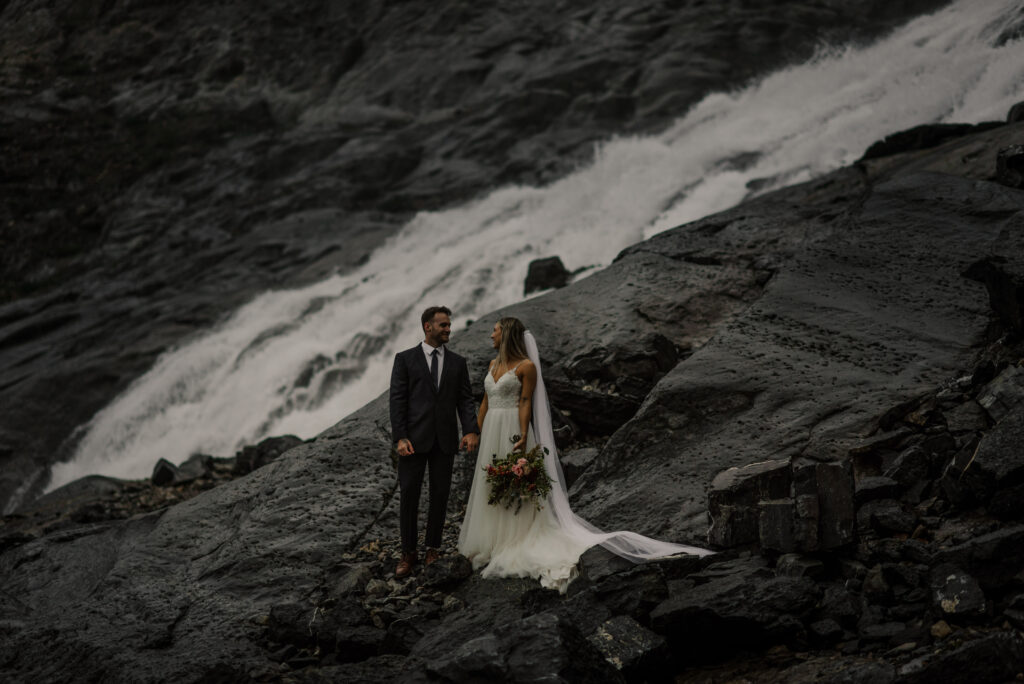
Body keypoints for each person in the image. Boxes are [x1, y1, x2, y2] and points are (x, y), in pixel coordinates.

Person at [458, 316, 711, 593]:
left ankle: (512, 537)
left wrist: (520, 435)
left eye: (494, 332)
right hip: (491, 428)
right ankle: (490, 539)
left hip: (509, 428)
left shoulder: (526, 367)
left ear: (506, 334)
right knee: (491, 482)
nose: (490, 337)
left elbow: (526, 401)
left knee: (513, 484)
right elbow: (485, 401)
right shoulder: (493, 365)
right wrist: (475, 432)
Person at [389, 306, 479, 578]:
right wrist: (400, 437)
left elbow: (465, 399)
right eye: (443, 325)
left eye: (449, 325)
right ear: (428, 327)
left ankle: (433, 549)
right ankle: (408, 553)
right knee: (409, 496)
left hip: (445, 440)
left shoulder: (457, 362)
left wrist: (470, 430)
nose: (448, 329)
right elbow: (397, 400)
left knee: (440, 495)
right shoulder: (405, 359)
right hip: (413, 440)